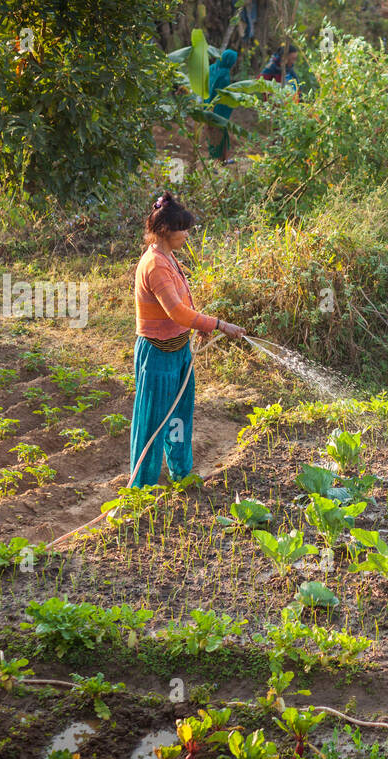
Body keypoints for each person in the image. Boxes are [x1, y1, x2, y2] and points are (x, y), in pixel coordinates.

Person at [130, 192, 244, 488]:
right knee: (152, 425)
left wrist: (197, 326)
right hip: (157, 355)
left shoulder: (168, 257)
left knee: (179, 418)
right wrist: (218, 324)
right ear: (166, 230)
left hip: (179, 352)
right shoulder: (154, 265)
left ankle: (181, 474)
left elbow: (182, 310)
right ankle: (142, 487)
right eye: (183, 229)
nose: (187, 235)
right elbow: (177, 311)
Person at [206, 48, 238, 160]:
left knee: (218, 136)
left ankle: (223, 159)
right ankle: (216, 162)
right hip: (217, 111)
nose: (234, 64)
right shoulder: (224, 74)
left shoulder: (212, 68)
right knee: (217, 136)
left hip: (208, 107)